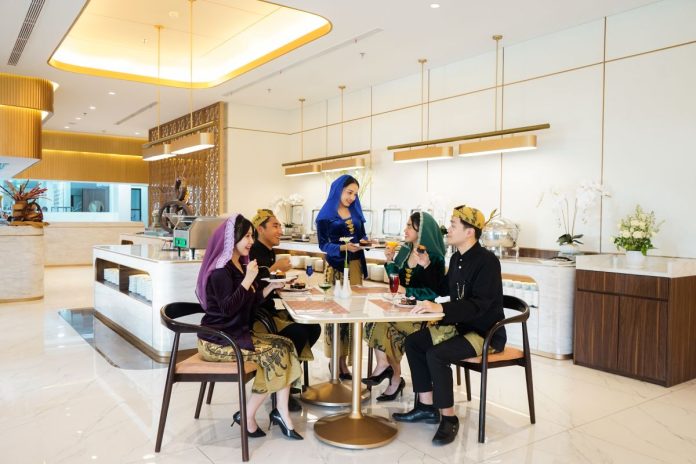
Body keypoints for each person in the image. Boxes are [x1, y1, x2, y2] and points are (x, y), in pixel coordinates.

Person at [392, 205, 506, 446]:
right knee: (414, 343)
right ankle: (426, 407)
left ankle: (449, 418)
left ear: (469, 232)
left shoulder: (487, 262)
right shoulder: (456, 258)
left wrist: (440, 309)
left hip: (484, 332)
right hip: (460, 326)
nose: (448, 229)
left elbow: (479, 305)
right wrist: (426, 265)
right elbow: (443, 288)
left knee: (436, 354)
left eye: (453, 225)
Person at [195, 214, 303, 441]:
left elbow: (249, 303)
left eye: (252, 236)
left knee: (287, 345)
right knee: (276, 354)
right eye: (246, 236)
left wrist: (271, 286)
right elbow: (227, 309)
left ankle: (281, 411)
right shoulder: (220, 270)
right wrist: (248, 280)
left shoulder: (238, 265)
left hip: (234, 334)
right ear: (231, 238)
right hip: (217, 341)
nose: (251, 241)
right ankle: (248, 415)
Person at [363, 211, 445, 401]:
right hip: (402, 309)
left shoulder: (434, 258)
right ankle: (388, 370)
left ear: (421, 230)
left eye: (409, 226)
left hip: (422, 314)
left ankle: (392, 375)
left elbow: (433, 292)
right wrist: (390, 260)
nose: (405, 229)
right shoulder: (406, 251)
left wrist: (407, 291)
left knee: (386, 327)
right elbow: (396, 280)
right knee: (376, 322)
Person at [250, 208, 321, 410]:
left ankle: (288, 379)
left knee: (313, 327)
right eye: (275, 226)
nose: (280, 231)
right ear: (260, 229)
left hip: (268, 311)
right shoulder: (254, 251)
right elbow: (254, 285)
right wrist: (276, 269)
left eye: (280, 226)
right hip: (257, 317)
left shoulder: (268, 251)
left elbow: (268, 284)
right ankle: (281, 385)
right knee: (297, 333)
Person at [315, 174, 368, 379]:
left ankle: (344, 362)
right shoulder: (324, 216)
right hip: (335, 267)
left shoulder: (355, 211)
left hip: (354, 266)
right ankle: (334, 360)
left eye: (355, 194)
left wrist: (365, 241)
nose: (352, 197)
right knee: (336, 314)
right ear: (338, 190)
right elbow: (323, 245)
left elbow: (361, 235)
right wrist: (343, 247)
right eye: (349, 192)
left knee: (353, 314)